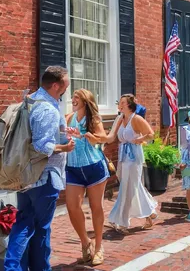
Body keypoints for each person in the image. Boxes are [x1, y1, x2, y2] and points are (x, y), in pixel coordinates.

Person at [5, 66, 74, 271]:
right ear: (55, 85)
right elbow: (42, 147)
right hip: (43, 176)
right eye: (65, 84)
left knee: (25, 221)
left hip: (25, 175)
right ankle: (20, 268)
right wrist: (65, 146)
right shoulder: (47, 109)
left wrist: (63, 132)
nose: (67, 87)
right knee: (37, 228)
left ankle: (22, 267)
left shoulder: (31, 101)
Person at [64, 89, 109, 265]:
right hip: (73, 168)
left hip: (94, 168)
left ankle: (98, 248)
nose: (73, 100)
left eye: (77, 98)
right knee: (72, 206)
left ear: (86, 101)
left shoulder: (94, 119)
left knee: (95, 207)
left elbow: (103, 138)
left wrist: (92, 137)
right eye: (73, 97)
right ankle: (85, 242)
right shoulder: (69, 117)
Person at [106, 94, 158, 233]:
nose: (120, 104)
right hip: (123, 156)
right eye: (119, 102)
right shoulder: (119, 118)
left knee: (127, 188)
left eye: (122, 102)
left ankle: (122, 222)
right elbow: (111, 137)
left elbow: (151, 134)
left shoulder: (136, 119)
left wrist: (139, 139)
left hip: (134, 157)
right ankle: (149, 214)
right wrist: (97, 140)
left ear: (129, 105)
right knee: (133, 187)